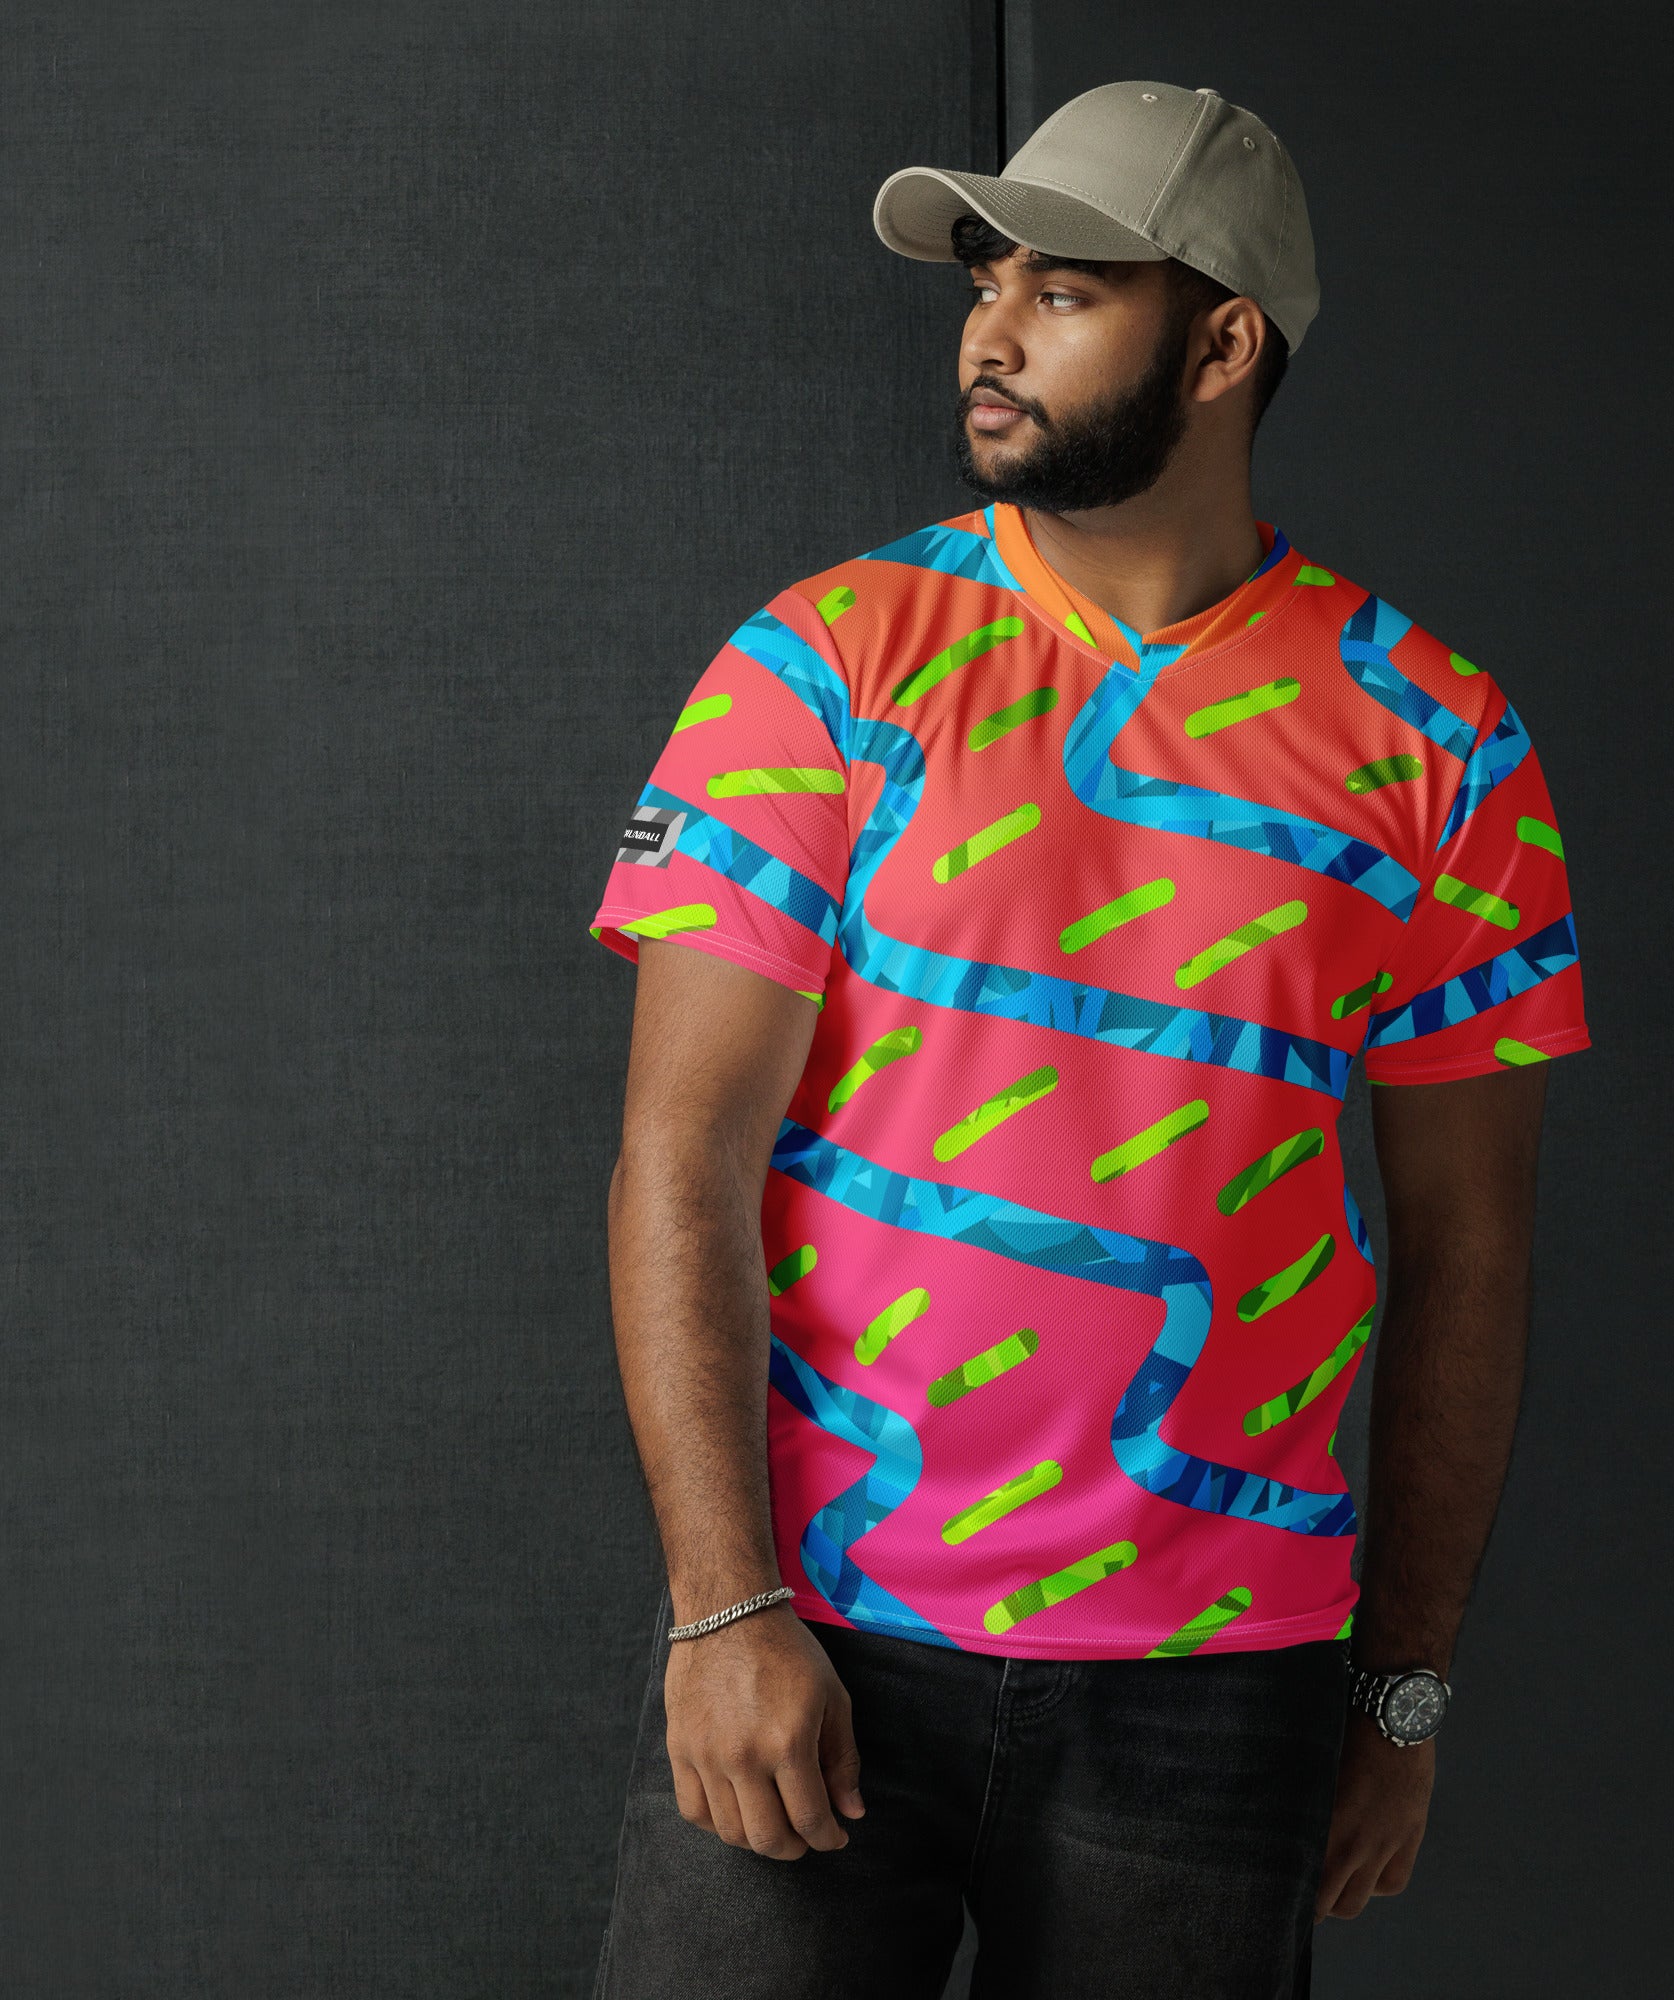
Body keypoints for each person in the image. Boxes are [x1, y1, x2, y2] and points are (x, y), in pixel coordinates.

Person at [585, 80, 1589, 2000]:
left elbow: (1471, 1250)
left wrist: (1402, 1683)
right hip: (824, 1635)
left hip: (1227, 1685)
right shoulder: (829, 658)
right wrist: (722, 1610)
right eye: (988, 278)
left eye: (1065, 290)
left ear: (1221, 343)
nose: (991, 326)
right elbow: (680, 1155)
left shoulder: (1444, 745)